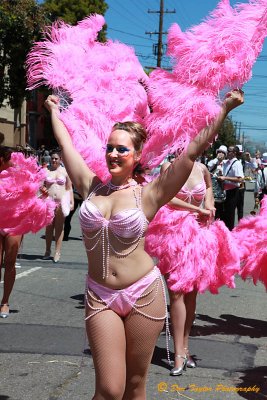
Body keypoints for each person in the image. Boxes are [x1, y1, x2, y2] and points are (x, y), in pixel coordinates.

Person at [44, 89, 243, 399]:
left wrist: (224, 109)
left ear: (137, 155)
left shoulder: (148, 194)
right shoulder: (90, 185)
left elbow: (190, 152)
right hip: (100, 295)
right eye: (109, 148)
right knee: (109, 389)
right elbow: (66, 144)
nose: (112, 154)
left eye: (121, 149)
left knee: (135, 387)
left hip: (142, 295)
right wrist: (53, 111)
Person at [148, 160, 217, 376]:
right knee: (176, 293)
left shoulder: (202, 168)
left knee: (191, 296)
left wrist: (210, 204)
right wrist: (197, 208)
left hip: (198, 236)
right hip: (174, 235)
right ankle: (178, 352)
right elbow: (166, 197)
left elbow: (208, 187)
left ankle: (185, 347)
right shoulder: (169, 166)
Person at [0, 146, 23, 318]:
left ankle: (5, 302)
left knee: (10, 263)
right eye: (11, 159)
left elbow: (29, 199)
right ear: (2, 160)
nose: (14, 163)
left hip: (14, 225)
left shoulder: (19, 177)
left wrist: (43, 197)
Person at [42, 151, 74, 263]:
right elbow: (40, 185)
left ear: (60, 159)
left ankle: (57, 251)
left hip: (61, 202)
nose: (54, 160)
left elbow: (69, 188)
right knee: (49, 227)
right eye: (52, 158)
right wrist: (43, 190)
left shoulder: (65, 171)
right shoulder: (45, 171)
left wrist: (71, 202)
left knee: (59, 227)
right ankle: (47, 251)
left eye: (56, 158)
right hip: (48, 202)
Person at [217, 146, 244, 230]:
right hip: (224, 191)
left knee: (229, 216)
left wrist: (225, 178)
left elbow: (240, 179)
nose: (227, 152)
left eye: (229, 151)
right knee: (221, 215)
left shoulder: (237, 163)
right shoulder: (226, 162)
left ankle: (229, 233)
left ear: (234, 153)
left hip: (232, 192)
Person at [208, 145, 227, 219]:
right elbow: (209, 167)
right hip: (212, 188)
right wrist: (217, 160)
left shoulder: (226, 163)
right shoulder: (213, 161)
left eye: (222, 152)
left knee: (220, 209)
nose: (220, 154)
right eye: (219, 152)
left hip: (222, 189)